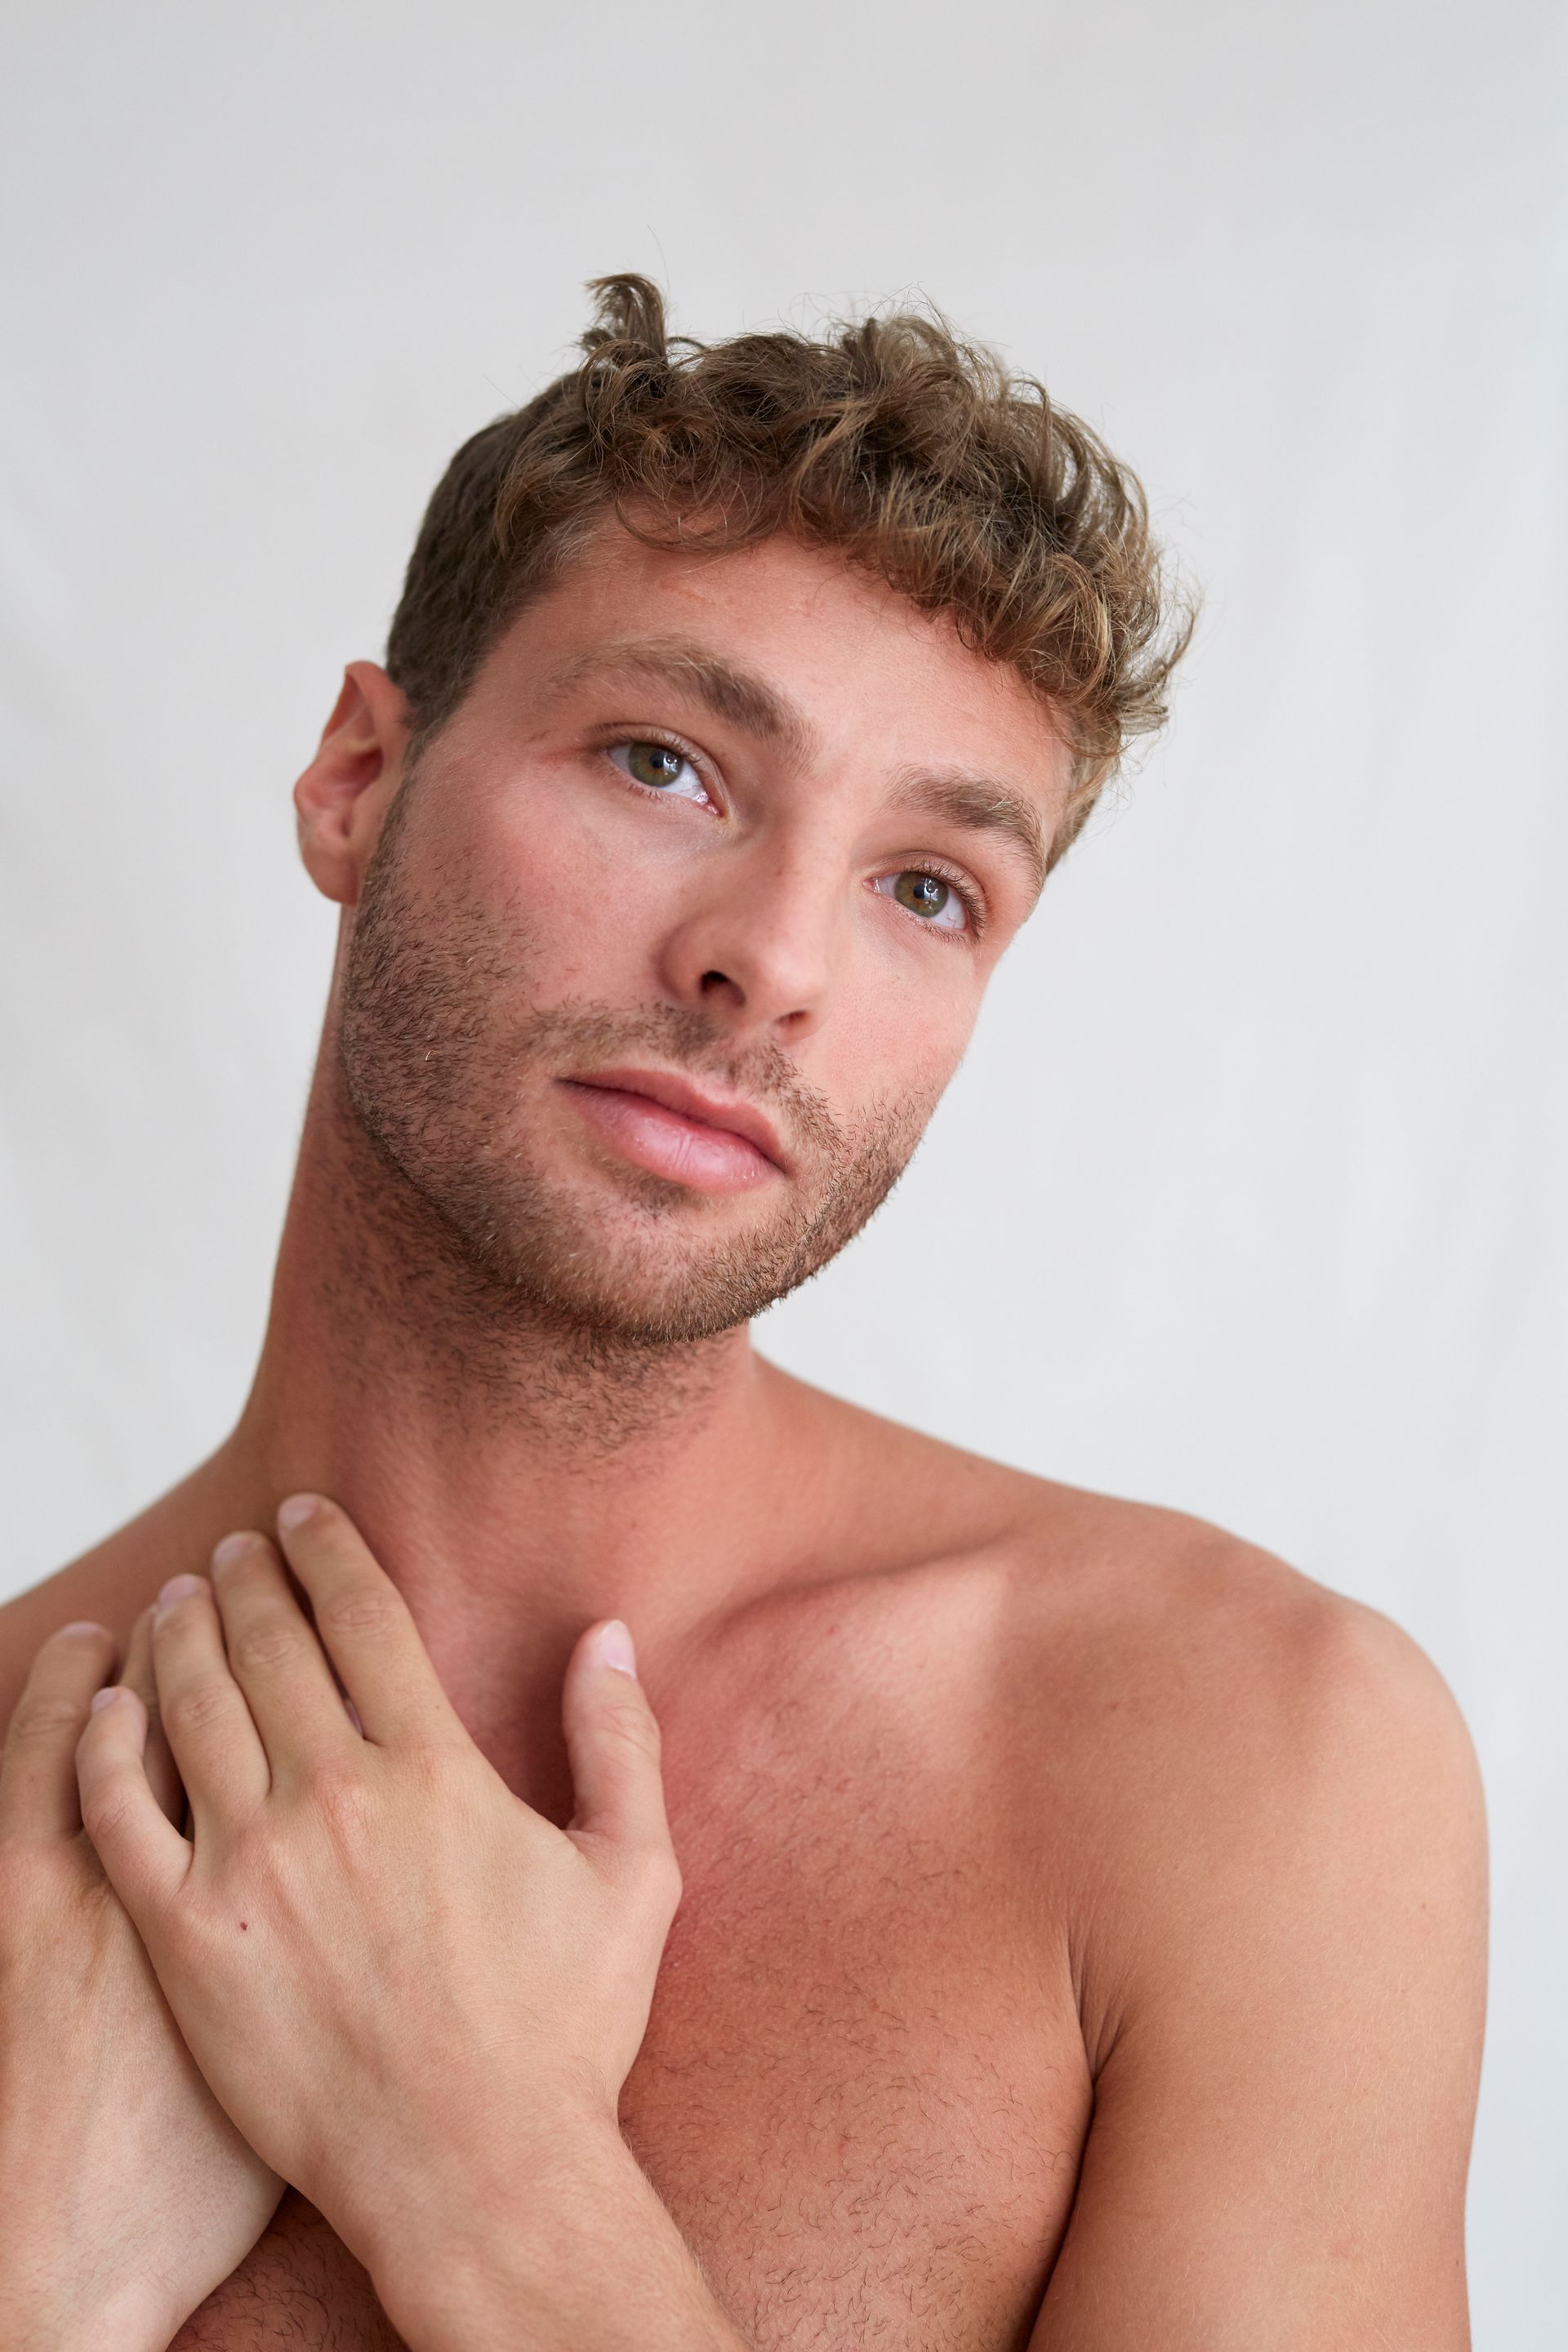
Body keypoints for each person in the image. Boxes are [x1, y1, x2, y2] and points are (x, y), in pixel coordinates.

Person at [0, 277, 1486, 2352]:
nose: (770, 959)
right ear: (359, 776)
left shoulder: (1243, 1771)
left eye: (926, 887)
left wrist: (488, 2178)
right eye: (665, 764)